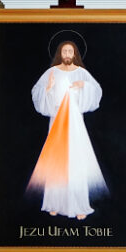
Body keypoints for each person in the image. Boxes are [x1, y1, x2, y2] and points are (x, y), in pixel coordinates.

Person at [27, 40, 107, 220]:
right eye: (65, 51)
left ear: (75, 54)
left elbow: (96, 91)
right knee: (56, 160)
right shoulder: (52, 72)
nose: (68, 54)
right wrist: (48, 88)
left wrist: (83, 86)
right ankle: (54, 203)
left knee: (76, 159)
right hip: (57, 120)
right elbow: (37, 92)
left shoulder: (81, 73)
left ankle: (79, 206)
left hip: (75, 122)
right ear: (60, 54)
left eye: (70, 51)